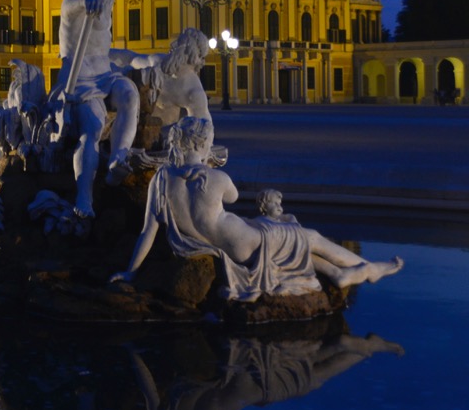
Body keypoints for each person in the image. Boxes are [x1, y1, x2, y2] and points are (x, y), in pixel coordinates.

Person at [111, 117, 403, 299]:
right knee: (310, 237)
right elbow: (233, 198)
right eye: (210, 144)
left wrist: (130, 272)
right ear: (202, 146)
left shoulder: (161, 179)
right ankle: (369, 269)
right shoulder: (216, 177)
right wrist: (210, 167)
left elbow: (147, 232)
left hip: (228, 241)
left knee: (292, 242)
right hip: (246, 244)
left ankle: (338, 274)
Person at [47, 0, 145, 217]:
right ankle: (83, 197)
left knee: (129, 93)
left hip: (105, 73)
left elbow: (102, 45)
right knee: (92, 126)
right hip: (79, 79)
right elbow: (69, 6)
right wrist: (83, 4)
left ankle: (117, 160)